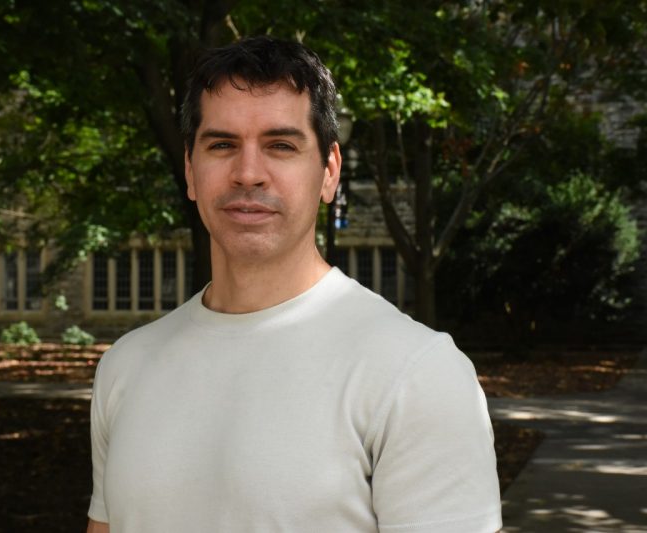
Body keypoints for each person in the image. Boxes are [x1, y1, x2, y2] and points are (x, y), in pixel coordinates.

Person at [86, 36, 501, 533]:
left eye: (281, 145)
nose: (248, 173)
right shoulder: (125, 366)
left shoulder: (417, 373)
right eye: (221, 145)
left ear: (329, 173)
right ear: (190, 172)